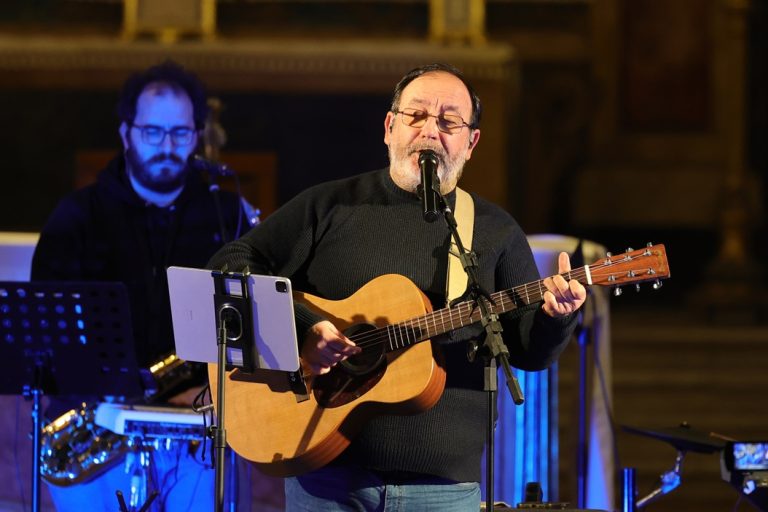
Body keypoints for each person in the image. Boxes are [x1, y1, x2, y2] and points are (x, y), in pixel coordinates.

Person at [206, 62, 587, 511]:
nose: (430, 131)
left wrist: (556, 316)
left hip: (444, 491)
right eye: (416, 116)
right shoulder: (330, 206)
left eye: (449, 122)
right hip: (325, 482)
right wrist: (304, 328)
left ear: (471, 142)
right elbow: (232, 263)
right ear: (390, 127)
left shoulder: (494, 231)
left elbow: (528, 353)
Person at [31, 60, 250, 512]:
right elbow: (47, 339)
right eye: (153, 133)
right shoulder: (77, 217)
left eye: (180, 134)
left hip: (196, 437)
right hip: (95, 435)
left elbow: (248, 332)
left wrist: (207, 390)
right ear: (126, 132)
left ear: (197, 135)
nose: (167, 147)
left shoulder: (226, 216)